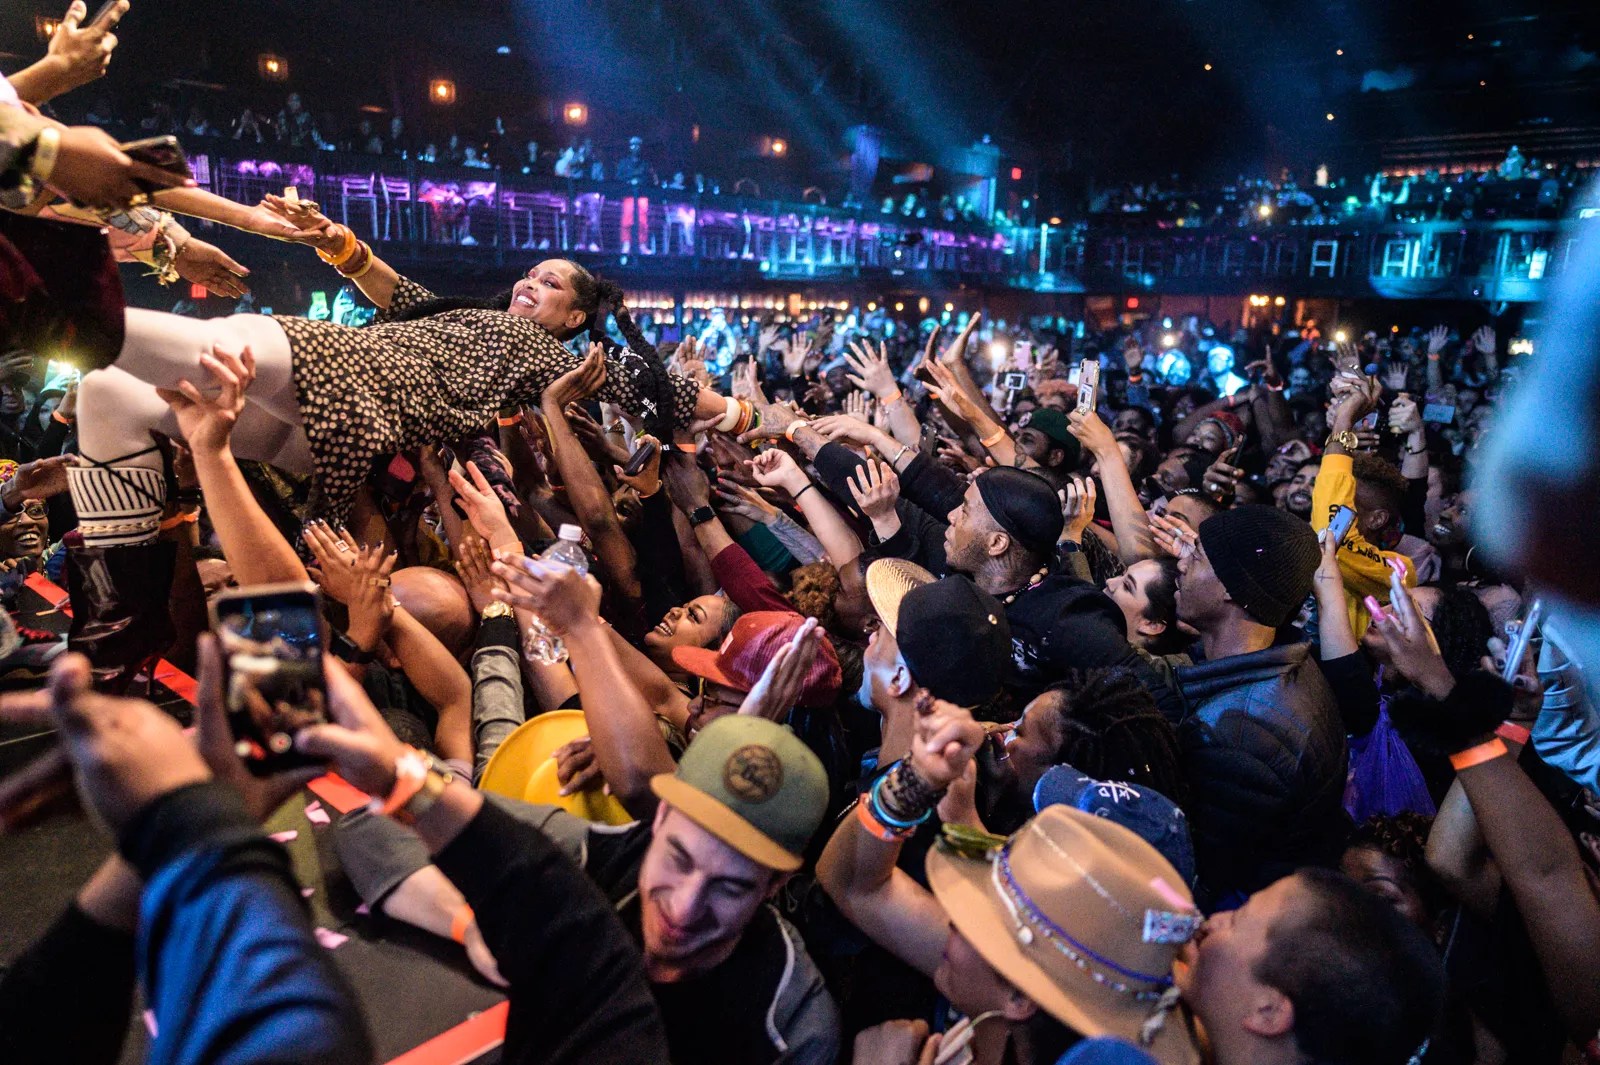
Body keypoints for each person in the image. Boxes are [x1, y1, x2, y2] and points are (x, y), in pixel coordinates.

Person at [23, 193, 733, 679]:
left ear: (575, 318)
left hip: (365, 379)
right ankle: (119, 648)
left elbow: (664, 389)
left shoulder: (557, 358)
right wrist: (334, 240)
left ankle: (34, 305)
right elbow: (397, 292)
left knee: (208, 339)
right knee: (108, 392)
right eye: (529, 273)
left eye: (549, 284)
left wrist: (746, 417)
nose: (529, 282)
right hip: (338, 422)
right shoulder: (467, 319)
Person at [332, 710, 841, 1064]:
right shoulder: (599, 856)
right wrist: (469, 924)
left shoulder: (792, 1025)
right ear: (660, 818)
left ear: (774, 885)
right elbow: (373, 819)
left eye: (729, 889)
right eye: (678, 858)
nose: (685, 908)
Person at [818, 697, 1203, 1065]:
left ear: (1020, 996)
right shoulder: (1040, 977)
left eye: (985, 914)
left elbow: (859, 888)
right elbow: (854, 883)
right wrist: (915, 781)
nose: (953, 915)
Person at [1171, 504, 1348, 903]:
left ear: (1233, 589)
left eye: (1196, 556)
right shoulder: (1288, 666)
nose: (1180, 563)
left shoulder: (1241, 732)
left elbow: (1203, 871)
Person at [616, 136, 656, 253]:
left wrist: (640, 181)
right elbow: (618, 177)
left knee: (642, 221)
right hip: (628, 195)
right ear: (629, 147)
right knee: (627, 219)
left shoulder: (646, 164)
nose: (635, 147)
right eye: (633, 145)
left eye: (638, 145)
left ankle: (642, 244)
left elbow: (651, 178)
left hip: (642, 195)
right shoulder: (624, 163)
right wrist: (629, 181)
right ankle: (626, 243)